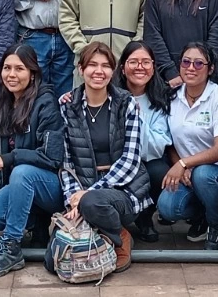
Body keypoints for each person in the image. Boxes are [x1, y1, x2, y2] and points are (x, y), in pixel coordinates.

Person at [58, 43, 150, 274]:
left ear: (113, 71)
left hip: (122, 188)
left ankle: (120, 235)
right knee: (54, 259)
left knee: (92, 202)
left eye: (106, 66)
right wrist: (73, 199)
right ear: (81, 69)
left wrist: (87, 194)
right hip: (83, 185)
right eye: (92, 65)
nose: (99, 71)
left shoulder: (126, 104)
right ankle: (100, 230)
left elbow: (130, 160)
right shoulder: (67, 107)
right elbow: (66, 163)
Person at [0, 44, 66, 277]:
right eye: (7, 68)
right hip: (19, 186)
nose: (12, 74)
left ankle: (11, 246)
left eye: (19, 68)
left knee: (22, 171)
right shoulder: (2, 103)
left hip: (53, 187)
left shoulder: (46, 102)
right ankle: (36, 222)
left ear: (33, 73)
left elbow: (52, 157)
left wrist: (11, 158)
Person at [158, 43, 218, 250]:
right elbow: (170, 143)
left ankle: (217, 224)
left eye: (199, 63)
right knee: (167, 207)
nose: (191, 67)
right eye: (186, 62)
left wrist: (186, 163)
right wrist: (181, 166)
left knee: (203, 175)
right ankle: (202, 215)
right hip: (186, 170)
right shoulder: (172, 96)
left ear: (210, 69)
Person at [117, 40, 173, 243]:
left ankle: (145, 217)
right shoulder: (111, 95)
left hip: (147, 160)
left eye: (146, 62)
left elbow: (157, 147)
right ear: (122, 68)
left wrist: (137, 117)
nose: (140, 67)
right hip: (116, 161)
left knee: (159, 171)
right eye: (133, 62)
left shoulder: (161, 98)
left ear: (153, 67)